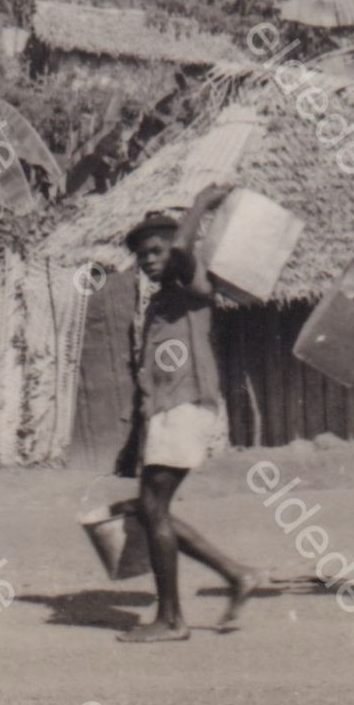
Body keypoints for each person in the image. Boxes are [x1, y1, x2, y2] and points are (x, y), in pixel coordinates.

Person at [112, 184, 264, 643]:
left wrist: (200, 205)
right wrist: (135, 439)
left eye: (156, 250)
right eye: (142, 255)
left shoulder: (195, 286)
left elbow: (182, 250)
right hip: (165, 412)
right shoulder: (160, 302)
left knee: (153, 507)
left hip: (187, 407)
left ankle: (172, 619)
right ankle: (236, 575)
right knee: (150, 507)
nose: (150, 259)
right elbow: (152, 375)